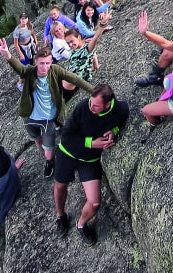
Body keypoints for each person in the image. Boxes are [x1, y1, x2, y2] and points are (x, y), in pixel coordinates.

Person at [0, 39, 94, 176]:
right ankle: (46, 158)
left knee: (49, 146)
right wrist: (7, 54)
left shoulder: (55, 70)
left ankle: (49, 161)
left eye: (48, 63)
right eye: (42, 63)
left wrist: (94, 91)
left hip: (48, 118)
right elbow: (19, 67)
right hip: (29, 117)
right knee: (37, 139)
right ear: (36, 62)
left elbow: (75, 79)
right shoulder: (30, 72)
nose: (45, 67)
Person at [53, 83, 130, 245]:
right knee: (60, 186)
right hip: (68, 152)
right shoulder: (83, 107)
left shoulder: (119, 108)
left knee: (95, 202)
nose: (91, 107)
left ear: (108, 104)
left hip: (89, 161)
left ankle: (81, 225)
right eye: (91, 102)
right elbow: (66, 136)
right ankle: (60, 215)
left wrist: (114, 131)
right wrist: (91, 143)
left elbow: (124, 114)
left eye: (96, 106)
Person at [61, 27, 99, 94]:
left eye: (72, 41)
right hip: (65, 78)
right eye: (68, 43)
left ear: (78, 37)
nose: (70, 45)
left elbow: (95, 40)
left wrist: (102, 25)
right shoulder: (75, 49)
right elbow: (93, 52)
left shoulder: (85, 50)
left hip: (67, 87)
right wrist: (95, 64)